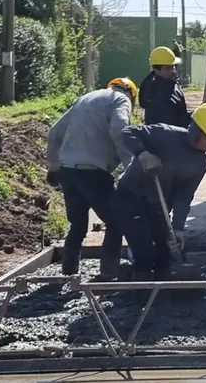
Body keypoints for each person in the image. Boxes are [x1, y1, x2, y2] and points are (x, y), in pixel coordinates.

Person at [113, 102, 206, 284]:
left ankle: (164, 290)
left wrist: (178, 228)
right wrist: (143, 154)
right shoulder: (165, 134)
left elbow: (184, 196)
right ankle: (142, 294)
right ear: (197, 131)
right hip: (130, 197)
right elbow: (127, 133)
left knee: (164, 251)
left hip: (157, 205)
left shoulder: (199, 164)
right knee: (144, 252)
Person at [46, 77, 138, 280]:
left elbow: (55, 132)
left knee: (77, 224)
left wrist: (53, 166)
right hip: (93, 173)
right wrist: (131, 166)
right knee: (115, 221)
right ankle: (108, 272)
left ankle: (68, 273)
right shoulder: (121, 100)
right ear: (132, 95)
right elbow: (119, 129)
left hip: (68, 170)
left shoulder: (87, 98)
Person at [139, 46, 190, 128]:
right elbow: (172, 127)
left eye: (173, 67)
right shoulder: (157, 96)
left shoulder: (172, 83)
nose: (173, 71)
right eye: (167, 68)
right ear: (157, 70)